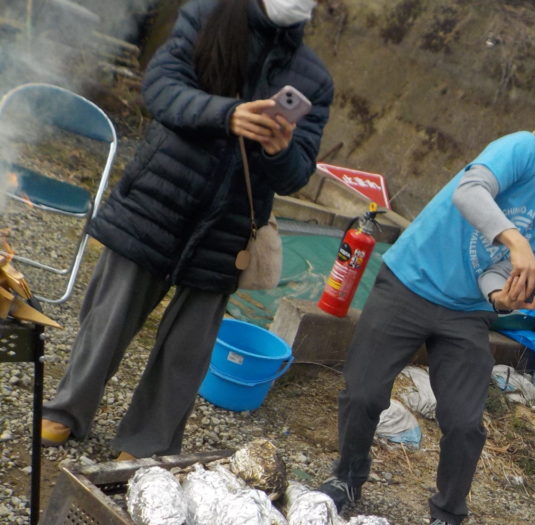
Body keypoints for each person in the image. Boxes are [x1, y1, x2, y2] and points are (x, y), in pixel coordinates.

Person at [317, 130, 535, 525]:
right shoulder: (527, 153)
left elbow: (493, 276)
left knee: (465, 421)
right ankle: (348, 476)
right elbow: (469, 192)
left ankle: (447, 516)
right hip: (408, 281)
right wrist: (516, 240)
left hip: (466, 312)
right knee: (363, 392)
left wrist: (502, 297)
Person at [39, 0, 332, 459]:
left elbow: (297, 173)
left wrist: (280, 150)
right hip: (159, 197)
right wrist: (227, 114)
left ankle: (145, 444)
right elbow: (159, 89)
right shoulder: (208, 15)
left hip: (229, 226)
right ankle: (67, 410)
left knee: (186, 351)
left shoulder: (313, 77)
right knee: (109, 318)